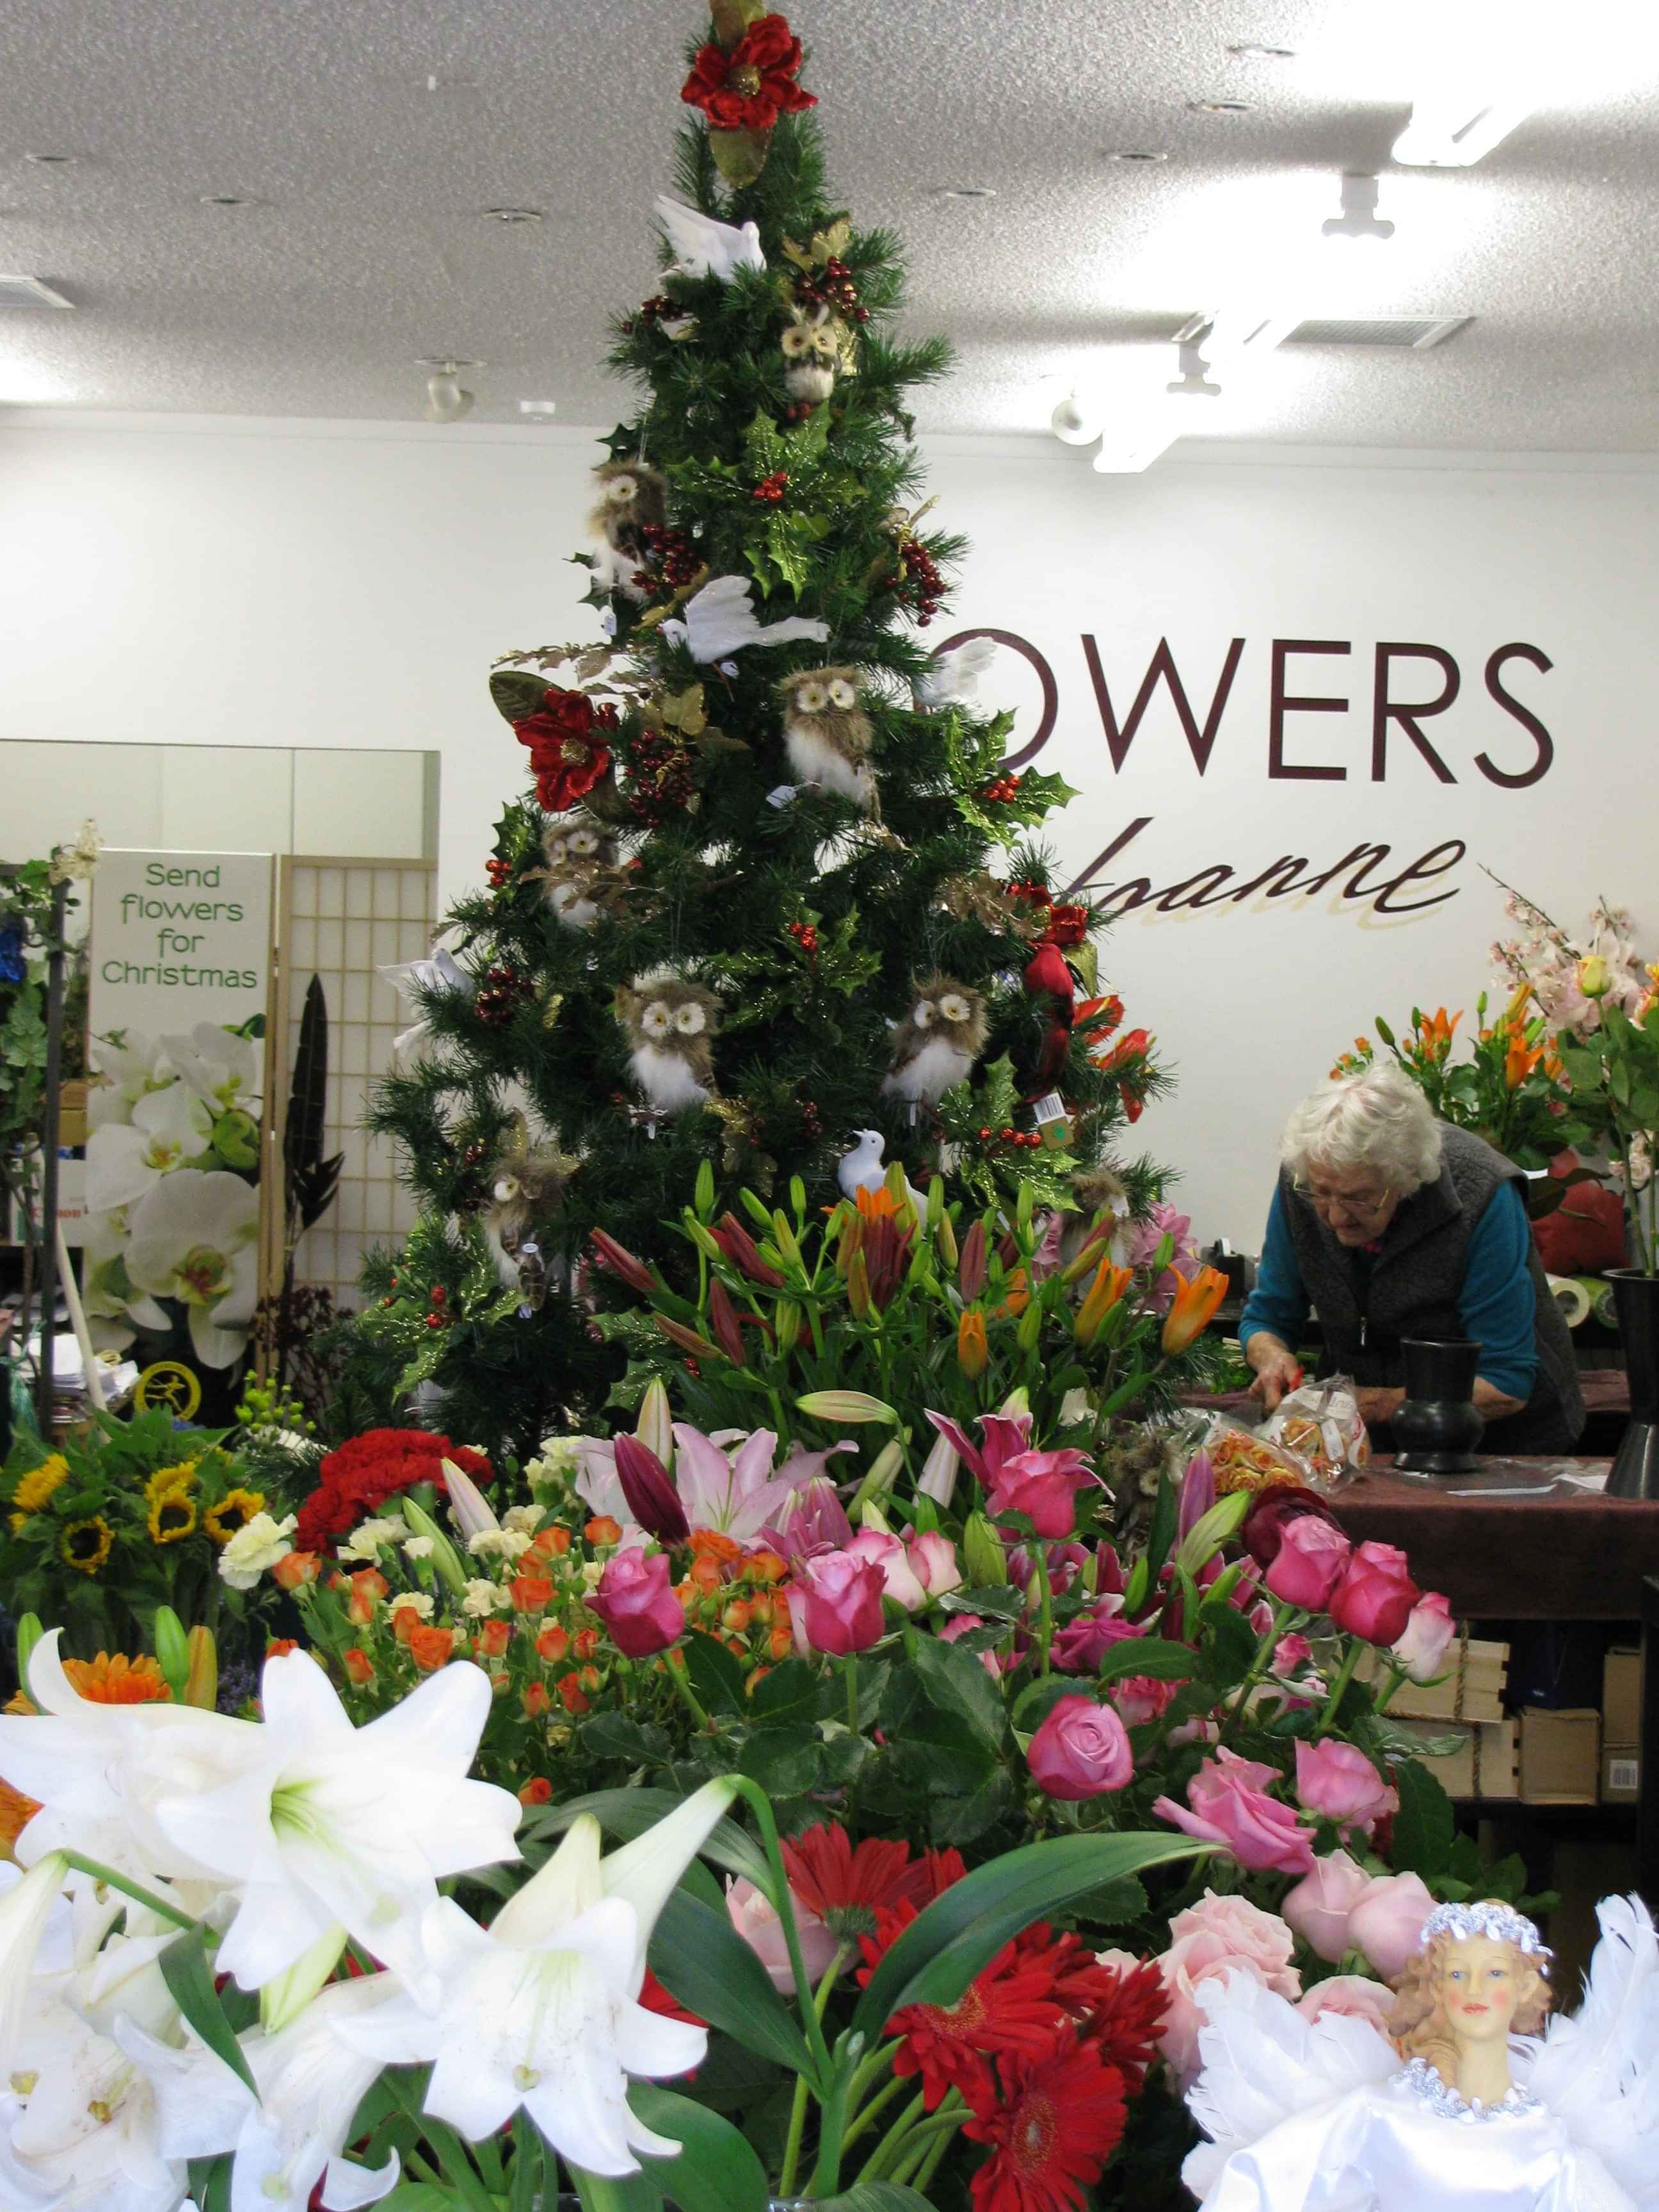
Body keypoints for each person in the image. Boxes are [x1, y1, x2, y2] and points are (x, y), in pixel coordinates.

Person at [1182, 1896, 1656, 2211]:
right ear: (1434, 1985)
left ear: (1525, 1986)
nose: (1473, 1989)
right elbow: (1260, 2186)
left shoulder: (1547, 2146)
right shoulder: (1378, 2118)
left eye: (1494, 1974)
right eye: (1455, 1974)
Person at [1240, 1059, 1584, 1454]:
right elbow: (1268, 1315)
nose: (1335, 1216)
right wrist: (1272, 1358)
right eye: (1322, 1194)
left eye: (1358, 1197)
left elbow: (1506, 1380)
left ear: (1406, 1180)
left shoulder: (1484, 1195)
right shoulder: (1305, 1177)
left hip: (1499, 1441)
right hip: (1362, 1436)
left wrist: (1376, 1403)